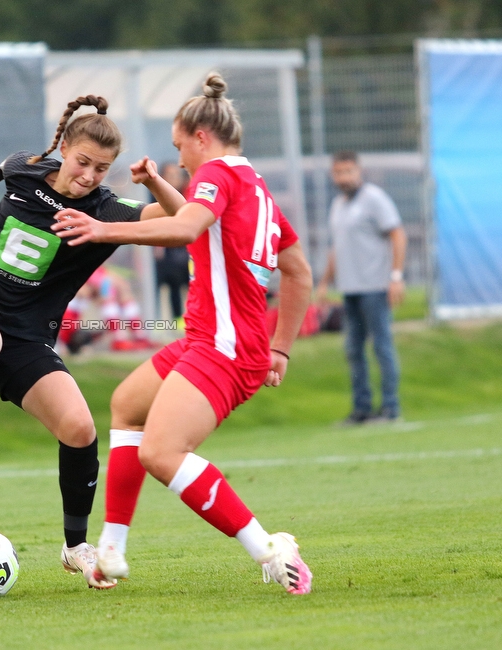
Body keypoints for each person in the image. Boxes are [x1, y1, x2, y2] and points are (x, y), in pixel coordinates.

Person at [0, 94, 185, 589]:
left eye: (102, 168)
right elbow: (9, 164)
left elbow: (184, 226)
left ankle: (75, 545)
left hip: (23, 339)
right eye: (82, 162)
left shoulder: (107, 211)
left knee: (79, 427)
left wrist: (154, 183)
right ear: (65, 152)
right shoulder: (24, 172)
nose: (89, 175)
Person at [51, 73, 315, 595]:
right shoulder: (255, 189)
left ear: (200, 137)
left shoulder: (215, 173)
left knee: (161, 453)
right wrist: (280, 347)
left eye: (179, 148)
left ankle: (268, 548)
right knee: (127, 404)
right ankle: (112, 549)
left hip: (224, 346)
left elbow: (188, 227)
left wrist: (103, 229)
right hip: (214, 340)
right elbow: (297, 271)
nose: (182, 162)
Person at [315, 150, 407, 424]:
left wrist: (396, 276)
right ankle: (362, 409)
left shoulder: (374, 199)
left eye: (349, 171)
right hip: (350, 289)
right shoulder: (338, 205)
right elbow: (338, 247)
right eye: (339, 172)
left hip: (375, 286)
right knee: (353, 350)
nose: (344, 177)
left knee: (382, 347)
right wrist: (324, 282)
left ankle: (391, 408)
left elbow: (397, 233)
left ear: (359, 171)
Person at [153, 162, 191, 321]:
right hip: (168, 250)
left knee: (190, 284)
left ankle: (192, 318)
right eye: (170, 176)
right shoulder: (156, 198)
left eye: (177, 175)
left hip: (185, 249)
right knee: (172, 284)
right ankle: (175, 319)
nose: (174, 179)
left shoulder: (188, 195)